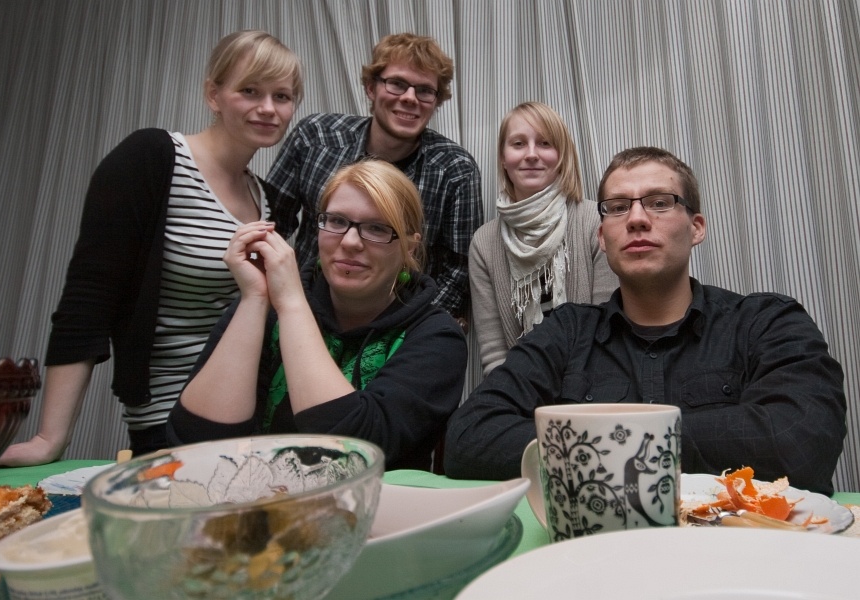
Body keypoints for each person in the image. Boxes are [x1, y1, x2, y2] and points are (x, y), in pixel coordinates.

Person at [444, 146, 847, 495]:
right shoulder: (565, 333)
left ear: (696, 228)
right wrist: (653, 443)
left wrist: (600, 444)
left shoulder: (766, 322)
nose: (636, 218)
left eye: (659, 202)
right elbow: (469, 438)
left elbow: (801, 441)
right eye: (618, 207)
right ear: (602, 237)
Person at [0, 30, 303, 465]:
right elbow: (88, 300)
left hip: (253, 425)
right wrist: (51, 438)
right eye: (250, 91)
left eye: (282, 96)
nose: (268, 108)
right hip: (170, 421)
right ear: (213, 94)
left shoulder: (269, 201)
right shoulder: (153, 159)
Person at [167, 160, 468, 471]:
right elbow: (195, 444)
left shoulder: (436, 336)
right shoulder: (267, 307)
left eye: (377, 228)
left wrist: (292, 303)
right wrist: (255, 298)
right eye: (336, 221)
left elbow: (352, 454)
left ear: (409, 246)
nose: (350, 242)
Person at [264, 32, 483, 330]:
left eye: (424, 90)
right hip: (302, 315)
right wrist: (281, 306)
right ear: (371, 87)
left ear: (436, 101)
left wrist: (409, 335)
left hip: (398, 331)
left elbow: (458, 271)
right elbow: (271, 226)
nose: (410, 98)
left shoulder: (455, 170)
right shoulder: (314, 137)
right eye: (397, 84)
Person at [471, 102, 617, 376]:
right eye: (518, 144)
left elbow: (608, 333)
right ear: (503, 157)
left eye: (545, 143)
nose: (531, 154)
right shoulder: (484, 242)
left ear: (562, 155)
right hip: (519, 388)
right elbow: (494, 356)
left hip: (593, 383)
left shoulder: (594, 222)